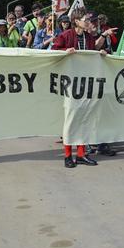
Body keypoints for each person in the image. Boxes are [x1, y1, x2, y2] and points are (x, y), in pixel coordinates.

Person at [52, 9, 106, 167]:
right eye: (85, 19)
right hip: (70, 84)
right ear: (76, 21)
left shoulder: (89, 37)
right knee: (71, 119)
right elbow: (53, 51)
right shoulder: (65, 35)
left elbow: (90, 54)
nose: (88, 21)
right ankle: (68, 156)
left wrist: (100, 53)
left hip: (85, 83)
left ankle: (81, 154)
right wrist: (64, 51)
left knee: (84, 118)